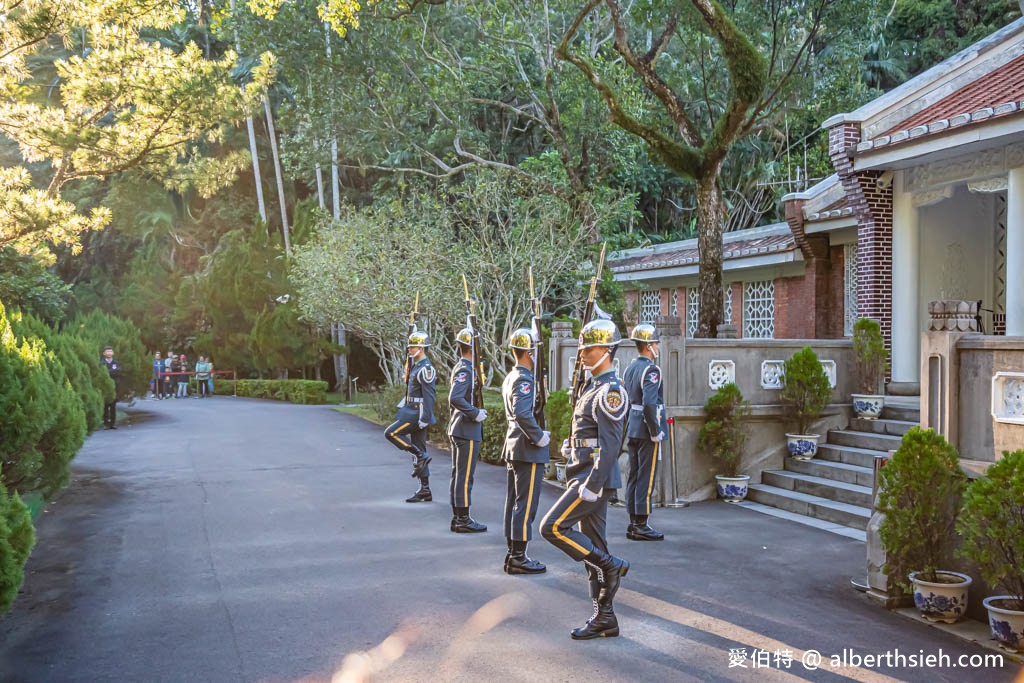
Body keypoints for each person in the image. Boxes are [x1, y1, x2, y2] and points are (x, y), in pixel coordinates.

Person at [540, 319, 630, 640]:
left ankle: (611, 564)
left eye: (588, 348)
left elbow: (611, 446)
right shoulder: (592, 388)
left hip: (593, 480)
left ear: (606, 351)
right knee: (592, 547)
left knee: (551, 528)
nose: (582, 354)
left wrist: (593, 485)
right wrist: (572, 446)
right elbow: (589, 435)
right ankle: (604, 616)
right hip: (581, 471)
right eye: (582, 348)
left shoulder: (611, 392)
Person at [500, 328, 550, 574]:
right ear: (530, 352)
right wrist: (539, 436)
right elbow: (522, 413)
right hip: (526, 447)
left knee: (515, 502)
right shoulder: (524, 379)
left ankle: (513, 553)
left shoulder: (513, 376)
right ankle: (518, 557)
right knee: (525, 504)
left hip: (515, 445)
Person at [622, 323, 668, 541]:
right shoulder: (651, 369)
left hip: (632, 426)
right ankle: (641, 523)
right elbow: (650, 403)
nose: (658, 346)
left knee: (634, 473)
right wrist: (655, 429)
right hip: (646, 428)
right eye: (656, 343)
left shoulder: (630, 367)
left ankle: (633, 520)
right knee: (646, 476)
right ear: (649, 346)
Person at [384, 330, 436, 503]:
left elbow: (430, 396)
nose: (410, 349)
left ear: (421, 348)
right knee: (420, 451)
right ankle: (425, 490)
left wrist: (425, 417)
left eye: (413, 346)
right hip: (412, 409)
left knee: (391, 433)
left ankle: (419, 454)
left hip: (417, 413)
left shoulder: (426, 369)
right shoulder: (415, 367)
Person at [447, 328, 487, 532]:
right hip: (466, 428)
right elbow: (455, 397)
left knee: (459, 475)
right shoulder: (465, 369)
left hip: (461, 428)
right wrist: (474, 413)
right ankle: (462, 519)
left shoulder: (465, 367)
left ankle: (458, 517)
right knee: (464, 477)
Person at [101, 346, 122, 429]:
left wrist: (109, 372)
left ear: (113, 353)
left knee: (113, 406)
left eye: (110, 351)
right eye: (107, 351)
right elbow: (102, 373)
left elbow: (119, 372)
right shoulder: (102, 363)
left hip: (114, 386)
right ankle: (106, 423)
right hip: (105, 387)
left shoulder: (116, 362)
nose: (109, 353)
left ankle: (112, 423)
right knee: (105, 406)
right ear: (104, 353)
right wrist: (112, 372)